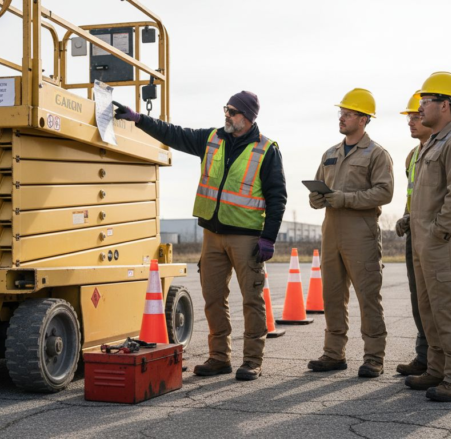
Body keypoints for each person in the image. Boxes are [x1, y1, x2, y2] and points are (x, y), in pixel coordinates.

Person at [114, 91, 287, 381]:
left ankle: (252, 361)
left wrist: (268, 237)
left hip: (245, 238)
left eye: (232, 111)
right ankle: (219, 357)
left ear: (247, 117)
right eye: (226, 109)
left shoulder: (266, 149)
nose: (226, 115)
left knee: (251, 300)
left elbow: (277, 196)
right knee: (213, 298)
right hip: (212, 235)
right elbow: (174, 133)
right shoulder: (212, 139)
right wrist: (139, 119)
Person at [404, 72, 451, 401]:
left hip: (445, 241)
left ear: (446, 105)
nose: (420, 108)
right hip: (426, 241)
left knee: (449, 309)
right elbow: (426, 196)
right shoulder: (431, 144)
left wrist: (437, 231)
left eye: (426, 101)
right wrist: (413, 222)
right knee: (430, 310)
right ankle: (436, 369)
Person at [306, 88, 394, 378]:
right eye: (341, 113)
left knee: (368, 297)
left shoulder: (376, 154)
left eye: (348, 113)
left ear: (364, 119)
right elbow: (319, 185)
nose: (341, 118)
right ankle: (333, 353)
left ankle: (373, 357)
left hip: (362, 235)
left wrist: (346, 198)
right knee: (331, 296)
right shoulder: (330, 153)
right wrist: (316, 198)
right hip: (331, 234)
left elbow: (384, 192)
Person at [394, 91, 432, 377]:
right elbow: (414, 196)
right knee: (418, 298)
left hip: (434, 236)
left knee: (440, 301)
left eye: (416, 116)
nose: (411, 122)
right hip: (415, 234)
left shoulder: (444, 148)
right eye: (409, 117)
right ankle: (425, 356)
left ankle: (446, 361)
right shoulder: (413, 155)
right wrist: (406, 218)